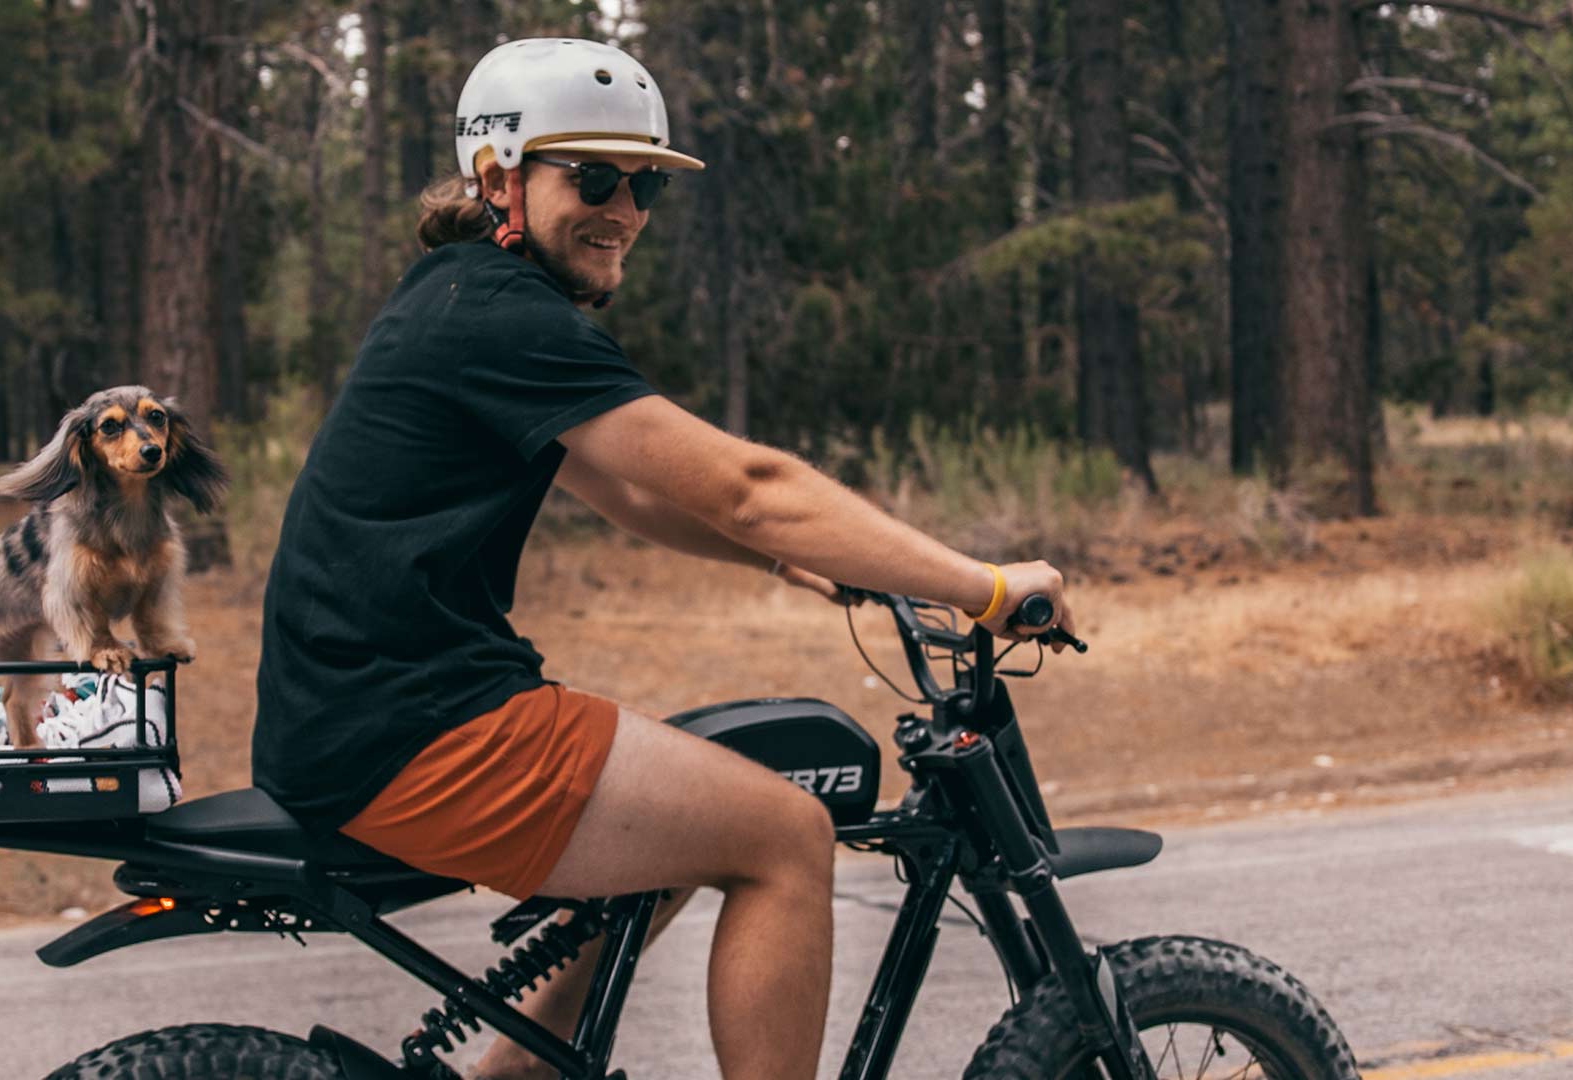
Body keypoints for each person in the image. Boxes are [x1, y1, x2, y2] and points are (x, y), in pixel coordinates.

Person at [252, 37, 1077, 1080]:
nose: (626, 210)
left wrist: (782, 567)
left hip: (375, 712)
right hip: (414, 726)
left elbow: (628, 489)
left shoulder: (465, 296)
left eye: (644, 185)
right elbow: (751, 487)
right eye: (594, 177)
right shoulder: (504, 319)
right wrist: (989, 588)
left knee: (685, 816)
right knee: (783, 834)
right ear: (499, 174)